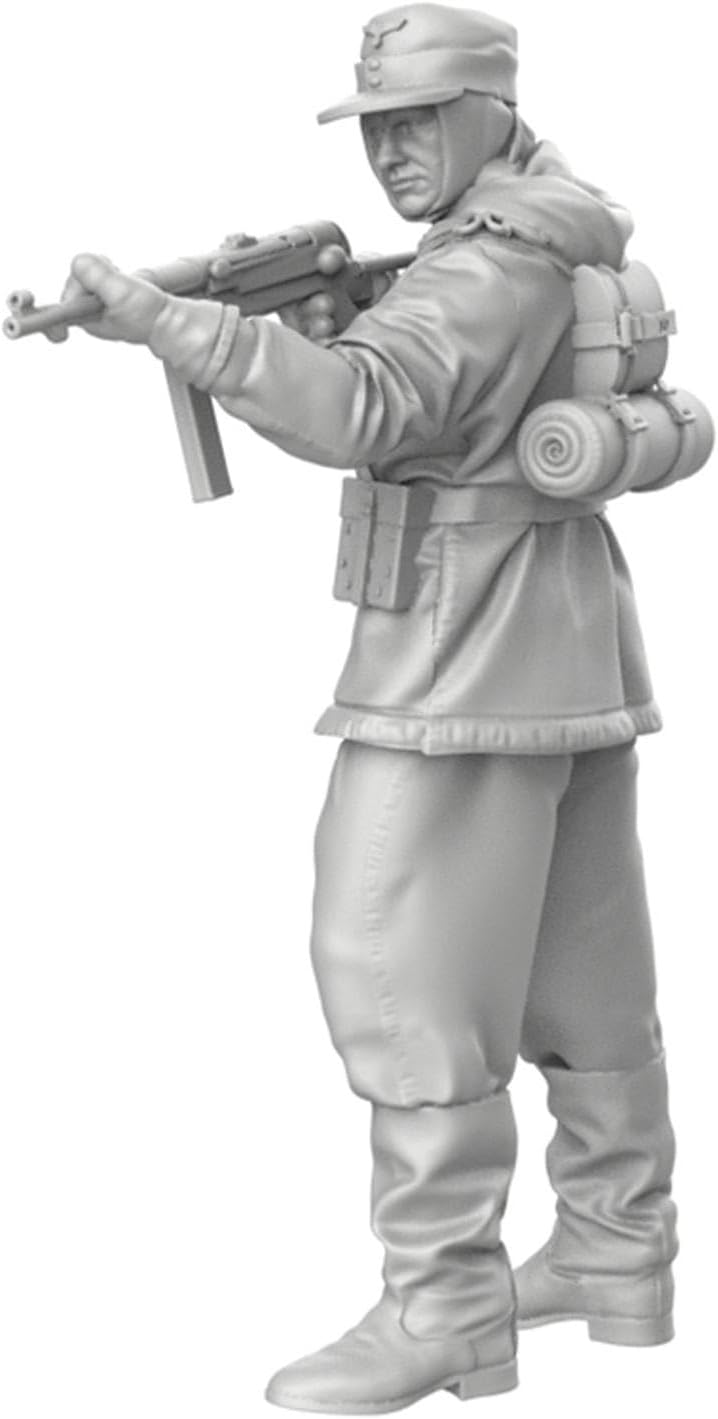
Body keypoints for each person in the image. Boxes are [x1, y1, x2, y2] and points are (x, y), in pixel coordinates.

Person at [63, 5, 687, 1412]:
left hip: (459, 658)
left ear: (488, 113)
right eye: (376, 128)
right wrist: (309, 320)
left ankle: (447, 1311)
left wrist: (188, 331)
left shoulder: (487, 261)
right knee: (579, 974)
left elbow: (367, 408)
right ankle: (613, 1250)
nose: (393, 152)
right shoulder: (530, 234)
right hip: (563, 648)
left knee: (388, 961)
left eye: (419, 122)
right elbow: (439, 393)